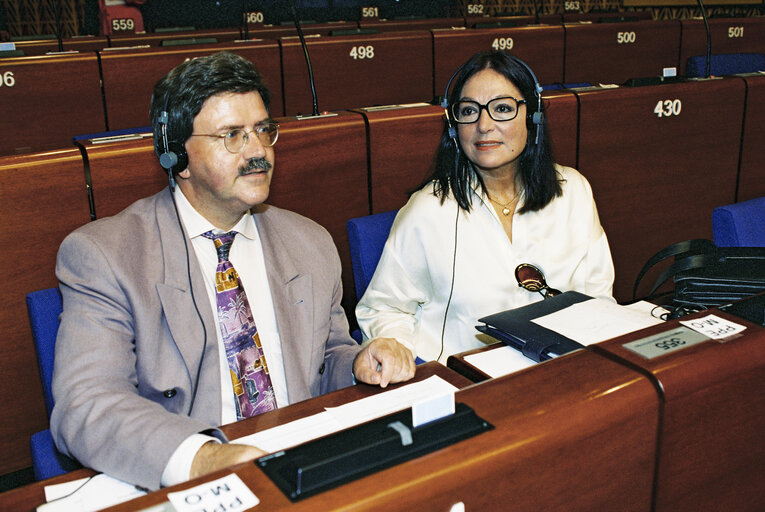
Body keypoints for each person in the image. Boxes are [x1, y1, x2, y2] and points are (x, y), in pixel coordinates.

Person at [50, 51, 415, 491]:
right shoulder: (105, 255)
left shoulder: (310, 242)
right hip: (189, 477)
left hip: (300, 465)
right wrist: (204, 458)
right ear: (176, 157)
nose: (258, 150)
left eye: (262, 130)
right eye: (232, 135)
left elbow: (325, 357)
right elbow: (86, 404)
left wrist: (359, 360)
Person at [355, 51, 615, 363]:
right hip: (468, 385)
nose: (484, 125)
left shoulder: (573, 191)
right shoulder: (427, 212)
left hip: (562, 371)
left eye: (502, 109)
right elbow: (383, 310)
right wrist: (407, 361)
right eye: (469, 111)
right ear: (454, 127)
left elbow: (599, 297)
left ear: (533, 117)